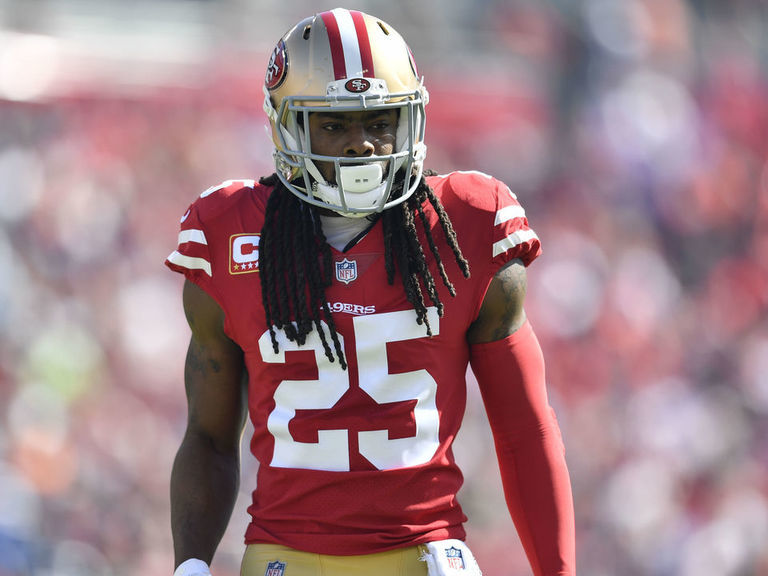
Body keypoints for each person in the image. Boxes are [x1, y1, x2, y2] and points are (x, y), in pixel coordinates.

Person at [166, 7, 575, 576]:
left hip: (426, 556)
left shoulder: (466, 223)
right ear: (287, 125)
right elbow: (209, 437)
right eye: (334, 124)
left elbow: (524, 427)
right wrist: (191, 565)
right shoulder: (229, 234)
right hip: (285, 557)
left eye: (380, 120)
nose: (361, 145)